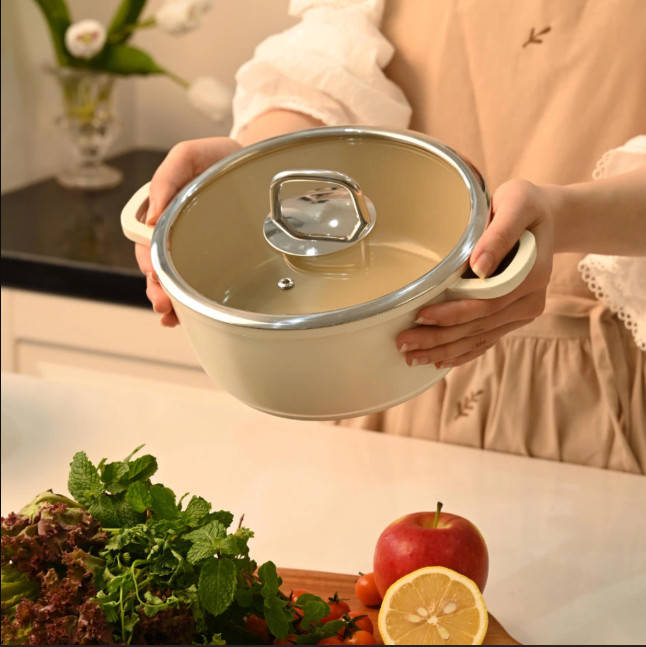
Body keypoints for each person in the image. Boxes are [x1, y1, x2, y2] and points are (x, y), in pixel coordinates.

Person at [135, 0, 646, 473]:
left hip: (590, 397)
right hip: (375, 361)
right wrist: (254, 166)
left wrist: (563, 217)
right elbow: (336, 62)